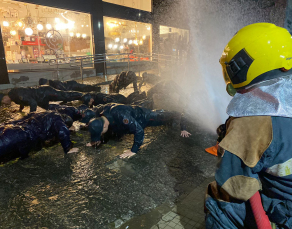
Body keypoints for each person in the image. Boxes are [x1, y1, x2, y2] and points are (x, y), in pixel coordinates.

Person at [205, 23, 292, 229]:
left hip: (286, 210)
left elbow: (235, 187)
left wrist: (233, 147)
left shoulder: (251, 122)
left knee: (220, 200)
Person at [86, 104, 191, 159]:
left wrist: (133, 150)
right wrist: (95, 140)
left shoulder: (120, 115)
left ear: (104, 125)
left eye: (101, 133)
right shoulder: (101, 114)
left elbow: (139, 130)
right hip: (131, 117)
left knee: (168, 116)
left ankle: (183, 119)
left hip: (145, 117)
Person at [0, 111, 79, 161]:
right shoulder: (58, 119)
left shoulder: (46, 114)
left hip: (12, 129)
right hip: (19, 135)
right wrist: (68, 148)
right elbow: (63, 131)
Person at [0, 86, 83, 112]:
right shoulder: (13, 96)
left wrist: (31, 116)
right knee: (51, 110)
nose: (4, 104)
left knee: (65, 95)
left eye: (2, 102)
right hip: (41, 99)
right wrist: (20, 110)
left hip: (44, 92)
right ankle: (73, 110)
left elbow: (33, 103)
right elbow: (22, 102)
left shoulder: (17, 94)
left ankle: (84, 95)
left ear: (4, 98)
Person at [81, 91, 146, 107]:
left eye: (87, 102)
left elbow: (113, 102)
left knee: (130, 103)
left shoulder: (101, 98)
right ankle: (138, 94)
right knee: (128, 100)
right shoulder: (93, 97)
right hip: (115, 96)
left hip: (118, 99)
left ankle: (142, 95)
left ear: (91, 100)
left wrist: (120, 106)